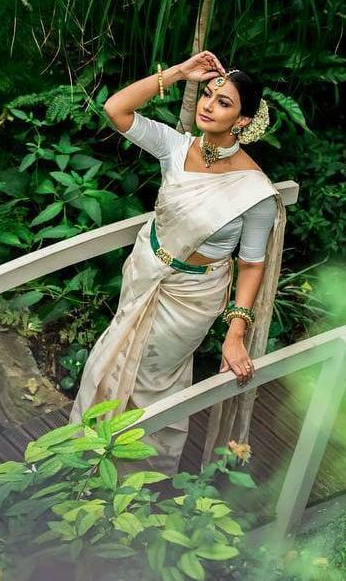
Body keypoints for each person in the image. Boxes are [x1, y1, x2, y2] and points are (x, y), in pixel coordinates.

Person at [67, 50, 288, 476]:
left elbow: (252, 265)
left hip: (192, 297)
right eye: (207, 95)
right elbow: (115, 108)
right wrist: (178, 73)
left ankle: (139, 472)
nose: (208, 105)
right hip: (146, 269)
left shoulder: (255, 191)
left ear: (243, 121)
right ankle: (87, 452)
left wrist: (236, 331)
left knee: (153, 376)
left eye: (224, 102)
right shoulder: (175, 146)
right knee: (113, 357)